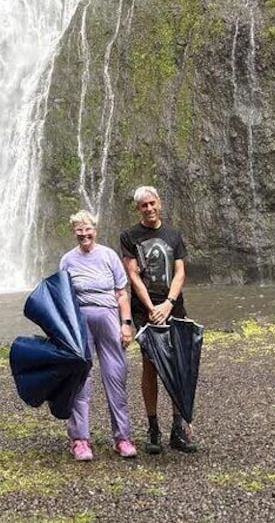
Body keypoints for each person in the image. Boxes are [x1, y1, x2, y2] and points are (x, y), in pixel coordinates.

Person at [120, 185, 199, 454]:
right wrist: (151, 307)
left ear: (160, 204)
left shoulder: (173, 235)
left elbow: (179, 272)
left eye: (153, 203)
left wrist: (168, 303)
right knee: (150, 365)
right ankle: (153, 428)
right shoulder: (129, 236)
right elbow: (132, 275)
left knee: (177, 365)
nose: (150, 208)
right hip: (145, 311)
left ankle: (178, 428)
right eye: (144, 205)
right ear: (138, 209)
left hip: (173, 308)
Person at [60, 210, 137, 461]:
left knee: (115, 376)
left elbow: (122, 292)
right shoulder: (67, 261)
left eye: (88, 229)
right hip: (80, 320)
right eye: (79, 230)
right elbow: (61, 296)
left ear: (95, 229)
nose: (84, 234)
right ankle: (79, 439)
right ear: (74, 232)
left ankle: (122, 437)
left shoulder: (109, 256)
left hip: (108, 317)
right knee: (80, 380)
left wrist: (126, 325)